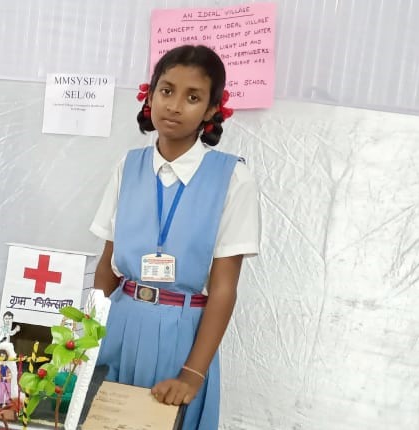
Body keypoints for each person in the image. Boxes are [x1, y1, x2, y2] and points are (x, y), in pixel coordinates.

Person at [90, 45, 260, 430]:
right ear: (150, 96)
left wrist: (192, 374)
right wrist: (86, 341)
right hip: (119, 324)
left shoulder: (233, 179)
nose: (175, 105)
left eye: (193, 97)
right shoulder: (127, 167)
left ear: (213, 109)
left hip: (183, 337)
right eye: (166, 91)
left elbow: (223, 289)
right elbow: (106, 267)